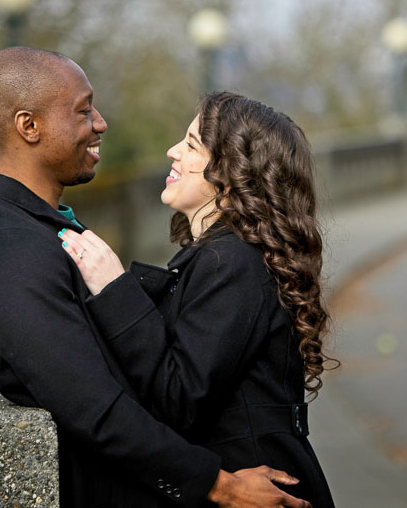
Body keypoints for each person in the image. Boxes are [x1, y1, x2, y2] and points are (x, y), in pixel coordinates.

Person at [0, 47, 312, 508]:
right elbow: (95, 409)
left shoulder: (44, 230)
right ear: (29, 126)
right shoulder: (5, 247)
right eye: (83, 110)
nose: (100, 123)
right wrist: (218, 484)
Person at [58, 91, 336, 507]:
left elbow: (179, 398)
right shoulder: (224, 256)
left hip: (259, 488)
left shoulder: (231, 261)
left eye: (190, 145)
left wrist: (114, 287)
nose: (172, 152)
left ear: (232, 170)